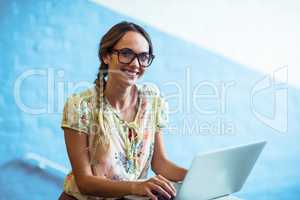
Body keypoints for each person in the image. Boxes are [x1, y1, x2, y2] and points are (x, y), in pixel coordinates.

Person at [59, 21, 187, 200]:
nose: (136, 64)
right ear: (106, 56)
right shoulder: (81, 106)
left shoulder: (152, 101)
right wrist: (136, 186)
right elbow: (85, 182)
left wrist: (197, 178)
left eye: (143, 57)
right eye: (126, 54)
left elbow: (160, 163)